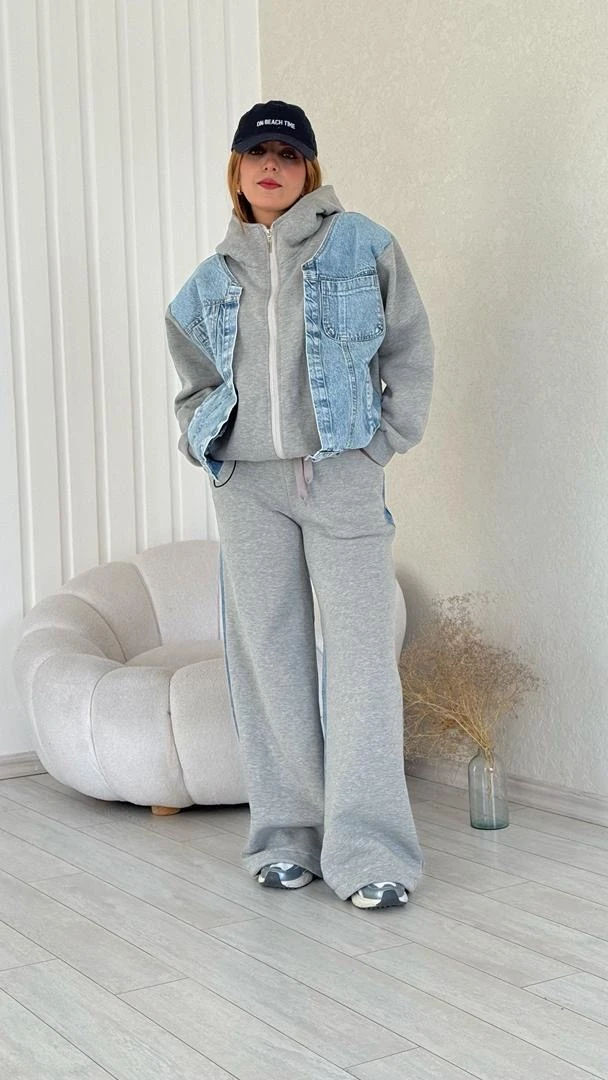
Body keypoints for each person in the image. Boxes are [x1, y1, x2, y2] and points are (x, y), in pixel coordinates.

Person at [165, 100, 434, 911]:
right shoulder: (212, 278)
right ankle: (286, 837)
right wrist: (207, 444)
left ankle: (371, 850)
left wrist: (381, 442)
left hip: (341, 475)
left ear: (308, 168)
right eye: (257, 153)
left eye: (286, 153)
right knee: (269, 661)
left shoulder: (363, 244)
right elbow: (194, 380)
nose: (271, 166)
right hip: (249, 488)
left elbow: (409, 348)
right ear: (238, 170)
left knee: (360, 662)